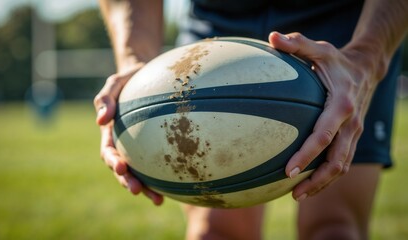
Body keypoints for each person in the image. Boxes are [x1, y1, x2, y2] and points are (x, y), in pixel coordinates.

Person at [93, 0, 408, 239]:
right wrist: (134, 66)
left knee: (334, 229)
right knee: (214, 233)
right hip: (216, 26)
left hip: (343, 23)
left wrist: (365, 59)